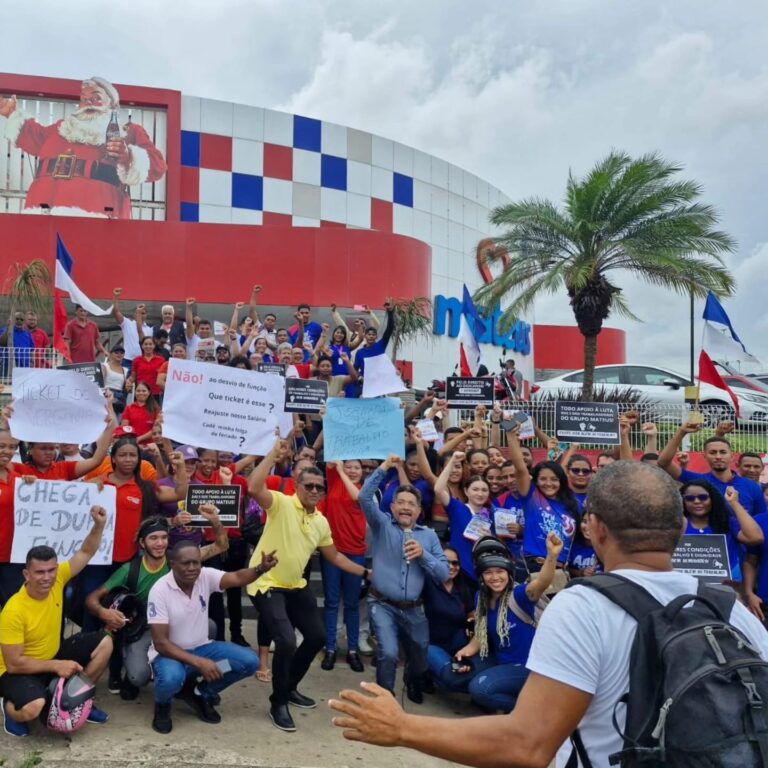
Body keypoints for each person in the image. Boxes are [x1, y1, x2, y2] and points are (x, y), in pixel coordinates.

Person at [329, 461, 768, 768]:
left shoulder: (584, 606)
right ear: (680, 529)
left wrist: (403, 727)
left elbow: (527, 744)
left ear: (594, 528)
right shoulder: (731, 609)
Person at [246, 437, 370, 733]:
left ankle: (289, 687)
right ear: (297, 486)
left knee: (316, 637)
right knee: (287, 641)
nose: (314, 491)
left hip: (295, 585)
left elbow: (335, 557)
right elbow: (253, 487)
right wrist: (272, 454)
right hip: (266, 584)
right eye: (309, 486)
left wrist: (366, 573)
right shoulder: (281, 503)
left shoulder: (321, 522)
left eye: (319, 487)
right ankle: (278, 702)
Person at [85, 511, 228, 700]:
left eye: (163, 537)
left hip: (176, 622)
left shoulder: (178, 560)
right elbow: (92, 598)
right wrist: (103, 612)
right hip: (143, 628)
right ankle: (135, 672)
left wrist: (215, 521)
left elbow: (221, 546)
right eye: (153, 538)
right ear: (142, 543)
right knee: (138, 676)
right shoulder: (130, 569)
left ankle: (187, 678)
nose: (160, 543)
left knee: (210, 626)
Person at [0, 506, 113, 737]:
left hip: (52, 654)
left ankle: (77, 698)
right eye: (39, 572)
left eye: (51, 570)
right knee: (33, 707)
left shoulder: (58, 577)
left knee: (105, 642)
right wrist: (56, 666)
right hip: (18, 671)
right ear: (27, 574)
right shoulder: (14, 610)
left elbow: (86, 551)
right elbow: (14, 664)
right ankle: (10, 708)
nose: (47, 577)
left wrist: (99, 525)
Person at [147, 541, 277, 734]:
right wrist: (199, 663)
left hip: (203, 648)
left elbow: (237, 577)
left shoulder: (205, 576)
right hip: (171, 655)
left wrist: (260, 569)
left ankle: (201, 692)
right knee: (172, 678)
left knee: (248, 662)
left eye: (196, 562)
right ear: (172, 564)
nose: (192, 568)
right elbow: (161, 643)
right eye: (186, 563)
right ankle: (163, 705)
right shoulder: (159, 590)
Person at [0, 77, 166, 218]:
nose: (88, 102)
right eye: (84, 98)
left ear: (112, 104)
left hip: (96, 221)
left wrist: (128, 156)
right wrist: (11, 114)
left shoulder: (127, 133)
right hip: (42, 214)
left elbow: (157, 166)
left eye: (96, 97)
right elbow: (33, 135)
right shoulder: (61, 129)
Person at [358, 455, 449, 704]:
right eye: (401, 502)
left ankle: (412, 679)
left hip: (414, 609)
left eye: (411, 503)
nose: (406, 507)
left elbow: (443, 573)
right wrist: (384, 467)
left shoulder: (428, 536)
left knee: (420, 653)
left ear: (419, 511)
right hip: (383, 604)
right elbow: (364, 497)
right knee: (388, 653)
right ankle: (384, 699)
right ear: (392, 507)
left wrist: (424, 555)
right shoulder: (382, 525)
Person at [454, 532, 563, 713]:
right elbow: (481, 633)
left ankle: (529, 713)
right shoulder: (481, 597)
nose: (495, 577)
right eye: (488, 572)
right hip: (500, 661)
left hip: (529, 667)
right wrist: (465, 652)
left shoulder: (519, 595)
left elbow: (542, 582)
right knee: (454, 677)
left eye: (500, 571)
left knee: (480, 689)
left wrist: (552, 556)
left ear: (508, 572)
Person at [657, 422, 767, 517]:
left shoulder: (752, 487)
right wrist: (681, 432)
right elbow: (663, 462)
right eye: (713, 452)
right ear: (704, 456)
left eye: (723, 452)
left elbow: (760, 522)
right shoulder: (697, 481)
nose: (718, 456)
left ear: (732, 456)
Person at [319, 461, 368, 673]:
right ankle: (330, 648)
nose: (352, 470)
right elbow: (332, 459)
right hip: (332, 550)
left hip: (355, 552)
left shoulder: (365, 488)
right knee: (331, 602)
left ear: (363, 471)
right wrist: (337, 467)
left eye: (357, 468)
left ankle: (353, 650)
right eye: (349, 467)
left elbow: (357, 498)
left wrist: (342, 471)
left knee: (352, 604)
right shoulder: (334, 480)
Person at [680, 480, 763, 583]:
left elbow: (756, 538)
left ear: (713, 499)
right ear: (683, 501)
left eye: (703, 497)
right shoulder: (678, 524)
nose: (696, 501)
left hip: (726, 586)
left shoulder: (728, 523)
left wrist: (734, 503)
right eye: (690, 498)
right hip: (688, 585)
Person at [422, 546, 476, 693]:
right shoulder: (426, 581)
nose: (451, 567)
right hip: (429, 645)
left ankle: (441, 674)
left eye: (455, 563)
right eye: (445, 562)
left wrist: (471, 621)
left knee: (462, 675)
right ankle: (423, 673)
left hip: (455, 644)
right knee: (451, 678)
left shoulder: (463, 588)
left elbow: (471, 613)